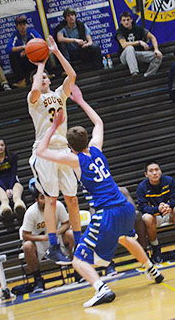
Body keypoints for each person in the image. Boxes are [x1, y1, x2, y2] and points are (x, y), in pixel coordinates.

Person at [36, 84, 164, 307]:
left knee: (78, 260)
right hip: (125, 207)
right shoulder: (96, 148)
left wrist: (53, 126)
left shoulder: (75, 160)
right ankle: (152, 269)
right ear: (86, 140)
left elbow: (41, 152)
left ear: (70, 146)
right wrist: (81, 101)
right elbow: (99, 123)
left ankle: (101, 288)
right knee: (127, 238)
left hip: (106, 213)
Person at [28, 35, 81, 265]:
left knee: (73, 200)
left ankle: (80, 244)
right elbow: (35, 90)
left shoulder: (59, 94)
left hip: (63, 150)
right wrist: (39, 64)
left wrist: (55, 52)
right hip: (44, 150)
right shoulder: (34, 99)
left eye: (47, 77)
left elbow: (72, 76)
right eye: (41, 78)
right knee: (51, 200)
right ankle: (52, 246)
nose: (44, 80)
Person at [21, 179, 74, 293]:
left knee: (70, 234)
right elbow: (25, 235)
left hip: (56, 238)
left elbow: (66, 224)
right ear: (36, 200)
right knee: (27, 246)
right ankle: (38, 279)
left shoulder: (58, 205)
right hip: (40, 242)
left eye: (46, 196)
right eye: (41, 197)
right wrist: (42, 238)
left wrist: (56, 232)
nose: (45, 200)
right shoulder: (31, 212)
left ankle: (78, 270)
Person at [136, 160, 175, 263]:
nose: (154, 173)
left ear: (160, 171)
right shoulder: (141, 187)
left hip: (169, 213)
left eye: (157, 170)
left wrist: (168, 206)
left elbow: (174, 198)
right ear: (146, 174)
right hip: (154, 216)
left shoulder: (169, 181)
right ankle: (156, 249)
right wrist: (158, 209)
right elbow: (143, 207)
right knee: (147, 218)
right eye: (151, 171)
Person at [114, 11, 163, 77]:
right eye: (124, 20)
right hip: (124, 56)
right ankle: (134, 73)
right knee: (129, 48)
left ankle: (148, 75)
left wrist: (156, 50)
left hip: (136, 54)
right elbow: (124, 44)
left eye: (128, 20)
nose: (126, 22)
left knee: (158, 56)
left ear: (131, 20)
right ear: (121, 22)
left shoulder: (138, 28)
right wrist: (139, 42)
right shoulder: (120, 32)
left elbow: (152, 37)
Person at [0, 138, 26, 221]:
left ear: (5, 146)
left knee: (16, 197)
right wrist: (5, 189)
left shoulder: (12, 156)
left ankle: (20, 209)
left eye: (2, 145)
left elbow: (13, 173)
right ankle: (6, 212)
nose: (0, 147)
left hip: (14, 182)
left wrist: (11, 188)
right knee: (4, 200)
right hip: (0, 185)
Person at [5, 15, 42, 88]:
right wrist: (22, 47)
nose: (23, 27)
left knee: (42, 49)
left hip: (33, 59)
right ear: (17, 27)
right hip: (23, 62)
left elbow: (41, 41)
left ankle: (44, 73)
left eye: (24, 24)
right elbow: (8, 49)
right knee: (12, 55)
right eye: (20, 25)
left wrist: (27, 50)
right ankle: (21, 80)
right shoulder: (15, 35)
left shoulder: (31, 32)